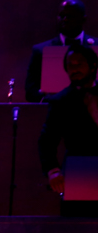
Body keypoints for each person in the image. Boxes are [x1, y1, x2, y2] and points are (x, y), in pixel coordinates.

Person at [38, 45, 98, 216]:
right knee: (77, 224)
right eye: (70, 65)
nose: (74, 68)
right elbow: (47, 141)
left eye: (79, 64)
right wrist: (53, 171)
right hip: (79, 172)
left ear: (93, 66)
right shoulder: (61, 101)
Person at [26, 0, 96, 102]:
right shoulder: (40, 51)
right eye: (62, 16)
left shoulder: (96, 46)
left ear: (83, 19)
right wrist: (51, 101)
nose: (65, 19)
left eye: (70, 16)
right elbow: (30, 91)